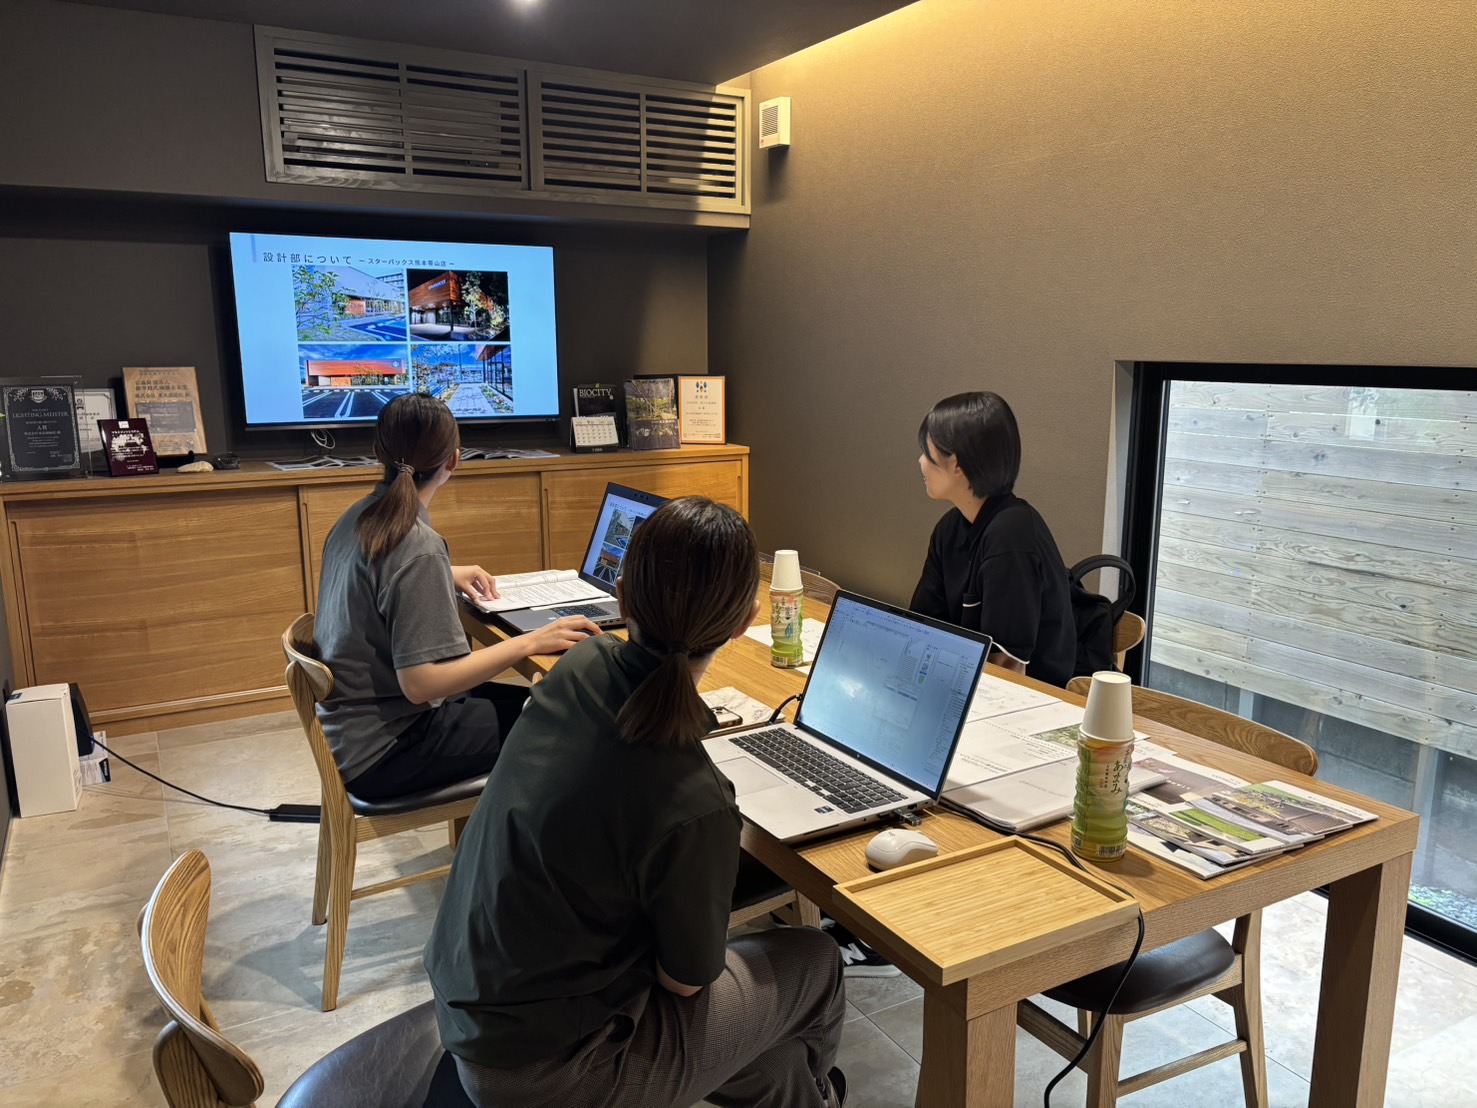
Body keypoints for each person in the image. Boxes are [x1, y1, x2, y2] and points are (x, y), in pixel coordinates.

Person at [424, 497, 848, 1108]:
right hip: (545, 1071)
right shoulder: (696, 800)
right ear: (745, 622)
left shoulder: (581, 664)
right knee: (816, 961)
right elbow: (685, 983)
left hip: (474, 1008)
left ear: (621, 598)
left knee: (776, 1061)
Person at [314, 394, 598, 800]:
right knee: (572, 722)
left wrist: (443, 573)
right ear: (454, 460)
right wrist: (530, 642)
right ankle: (519, 838)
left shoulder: (357, 518)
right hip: (390, 749)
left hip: (355, 735)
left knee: (549, 704)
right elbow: (422, 685)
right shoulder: (417, 546)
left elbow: (375, 580)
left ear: (378, 451)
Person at [910, 390, 1077, 688]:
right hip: (962, 683)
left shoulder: (1012, 537)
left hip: (1031, 697)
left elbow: (1008, 669)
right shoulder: (950, 528)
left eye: (927, 452)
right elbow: (923, 627)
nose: (920, 461)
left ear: (957, 465)